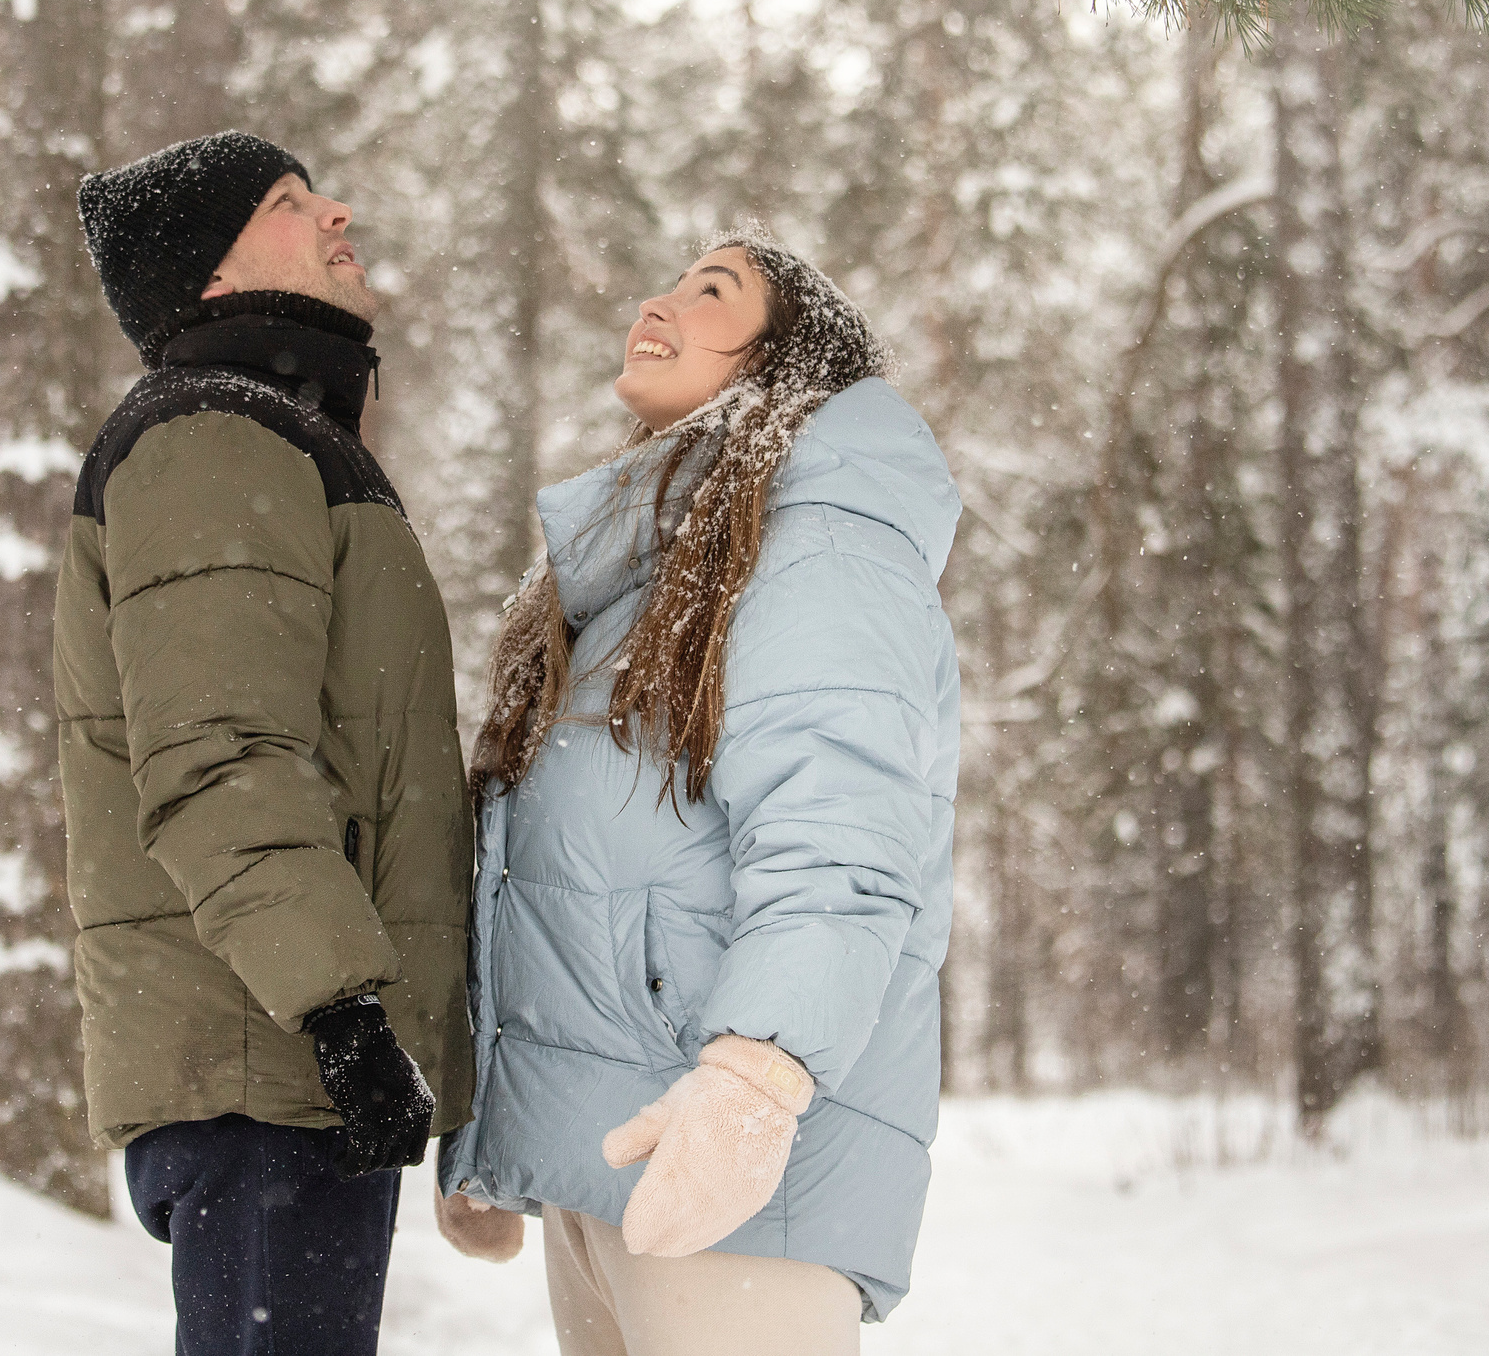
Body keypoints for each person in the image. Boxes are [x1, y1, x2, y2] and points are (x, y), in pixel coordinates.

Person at [438, 235, 962, 1355]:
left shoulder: (820, 546)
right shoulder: (663, 564)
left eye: (709, 292)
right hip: (621, 1159)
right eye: (668, 280)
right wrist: (496, 1120)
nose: (656, 302)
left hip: (736, 1170)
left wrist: (754, 1084)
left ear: (782, 365)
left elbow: (843, 846)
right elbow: (565, 873)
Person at [52, 130, 509, 1356]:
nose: (338, 215)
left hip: (276, 1055)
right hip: (272, 1055)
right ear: (210, 271)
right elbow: (216, 754)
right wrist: (341, 1011)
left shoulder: (271, 433)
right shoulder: (213, 437)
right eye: (294, 202)